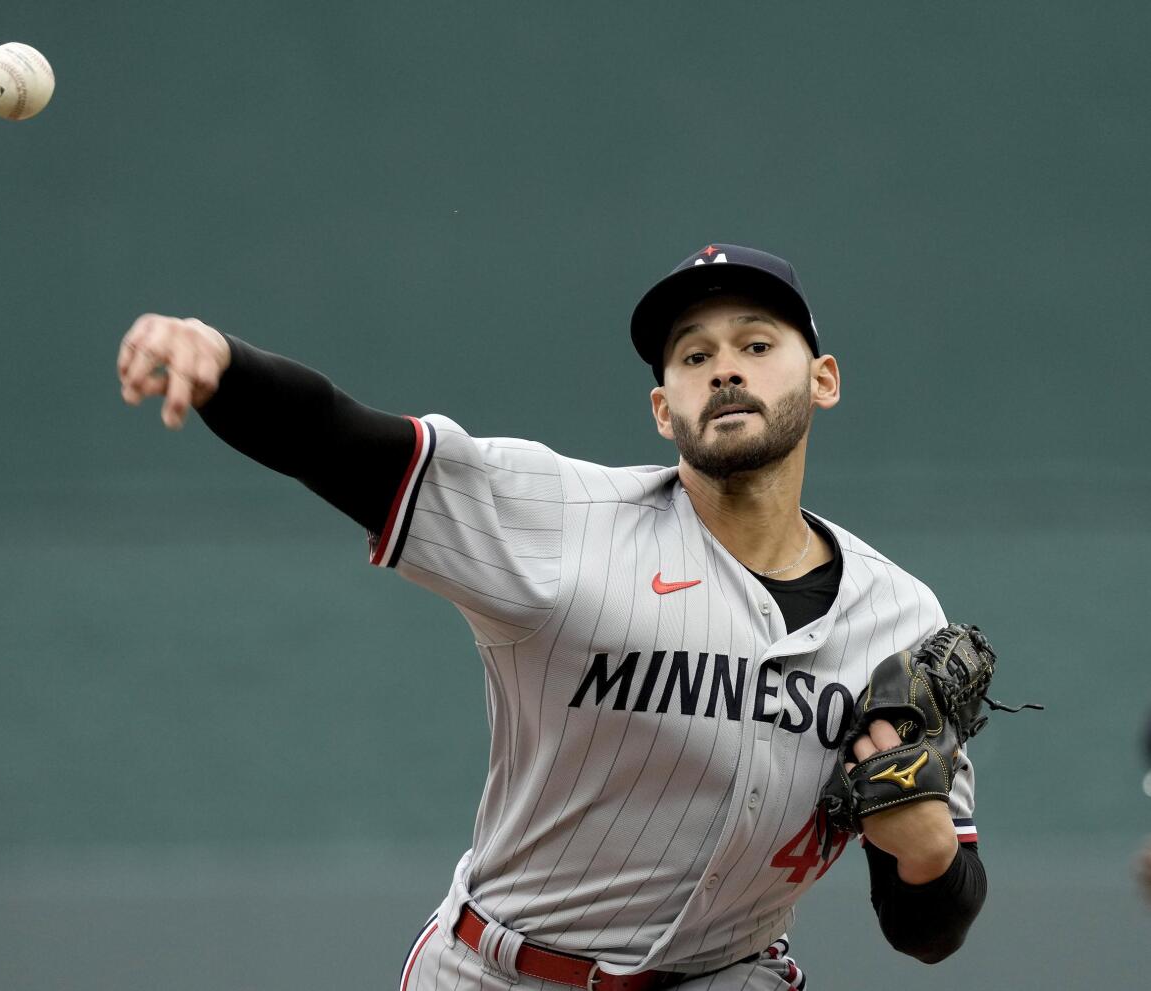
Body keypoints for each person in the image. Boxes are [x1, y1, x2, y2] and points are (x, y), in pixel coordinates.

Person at [115, 244, 986, 989]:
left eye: (758, 344)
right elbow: (351, 445)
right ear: (662, 408)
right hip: (505, 972)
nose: (725, 367)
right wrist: (224, 367)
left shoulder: (901, 616)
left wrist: (925, 855)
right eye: (692, 356)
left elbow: (929, 928)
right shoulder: (566, 519)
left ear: (823, 380)